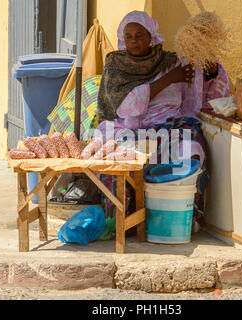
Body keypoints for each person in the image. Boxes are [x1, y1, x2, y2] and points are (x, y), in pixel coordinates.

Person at [95, 11, 231, 225]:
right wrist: (169, 79)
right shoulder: (116, 65)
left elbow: (199, 83)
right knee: (119, 156)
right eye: (128, 36)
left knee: (193, 148)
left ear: (151, 36)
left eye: (139, 35)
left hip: (169, 125)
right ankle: (124, 217)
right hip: (129, 126)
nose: (134, 41)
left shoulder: (169, 61)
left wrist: (209, 67)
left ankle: (183, 213)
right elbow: (126, 107)